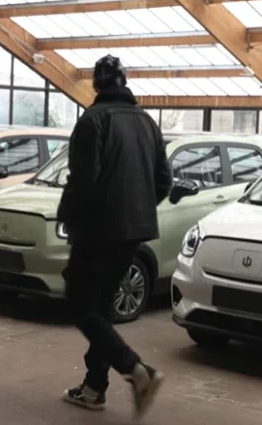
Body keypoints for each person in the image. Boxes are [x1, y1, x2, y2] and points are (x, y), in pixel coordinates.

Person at [56, 55, 172, 419]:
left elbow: (84, 181)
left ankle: (138, 372)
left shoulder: (93, 120)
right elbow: (163, 182)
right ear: (124, 83)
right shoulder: (147, 123)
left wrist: (69, 219)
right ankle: (94, 389)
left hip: (97, 230)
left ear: (96, 85)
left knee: (80, 305)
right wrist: (135, 208)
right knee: (100, 308)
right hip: (132, 233)